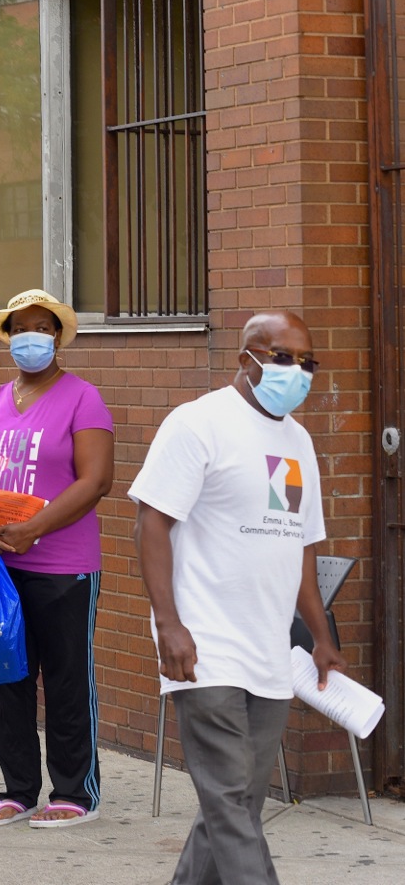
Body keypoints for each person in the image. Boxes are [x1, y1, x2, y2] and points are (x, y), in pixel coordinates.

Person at [130, 311, 344, 883]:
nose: (297, 372)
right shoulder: (198, 423)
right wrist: (168, 624)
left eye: (307, 362)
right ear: (246, 357)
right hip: (204, 644)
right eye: (283, 358)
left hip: (269, 648)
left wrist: (320, 636)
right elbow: (152, 524)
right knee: (228, 798)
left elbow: (300, 546)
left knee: (240, 802)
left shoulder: (298, 440)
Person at [0, 290, 114, 827]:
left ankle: (75, 792)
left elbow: (96, 480)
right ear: (7, 336)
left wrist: (34, 529)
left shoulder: (82, 398)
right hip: (0, 565)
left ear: (59, 337)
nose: (32, 336)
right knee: (9, 681)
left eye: (43, 327)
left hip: (64, 566)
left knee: (67, 680)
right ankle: (17, 789)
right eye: (22, 326)